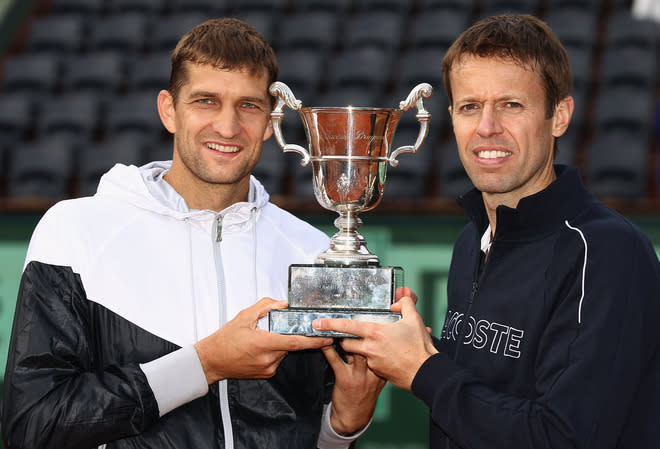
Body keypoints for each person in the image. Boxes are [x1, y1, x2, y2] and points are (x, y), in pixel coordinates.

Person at [1, 18, 385, 449]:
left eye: (249, 105)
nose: (227, 126)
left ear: (271, 120)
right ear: (169, 109)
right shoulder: (76, 231)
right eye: (206, 101)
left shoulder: (315, 251)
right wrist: (204, 364)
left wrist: (342, 427)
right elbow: (32, 426)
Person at [313, 13, 660, 449]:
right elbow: (489, 388)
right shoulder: (471, 241)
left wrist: (424, 369)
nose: (487, 127)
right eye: (470, 106)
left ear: (559, 116)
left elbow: (565, 437)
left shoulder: (609, 252)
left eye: (511, 104)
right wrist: (401, 345)